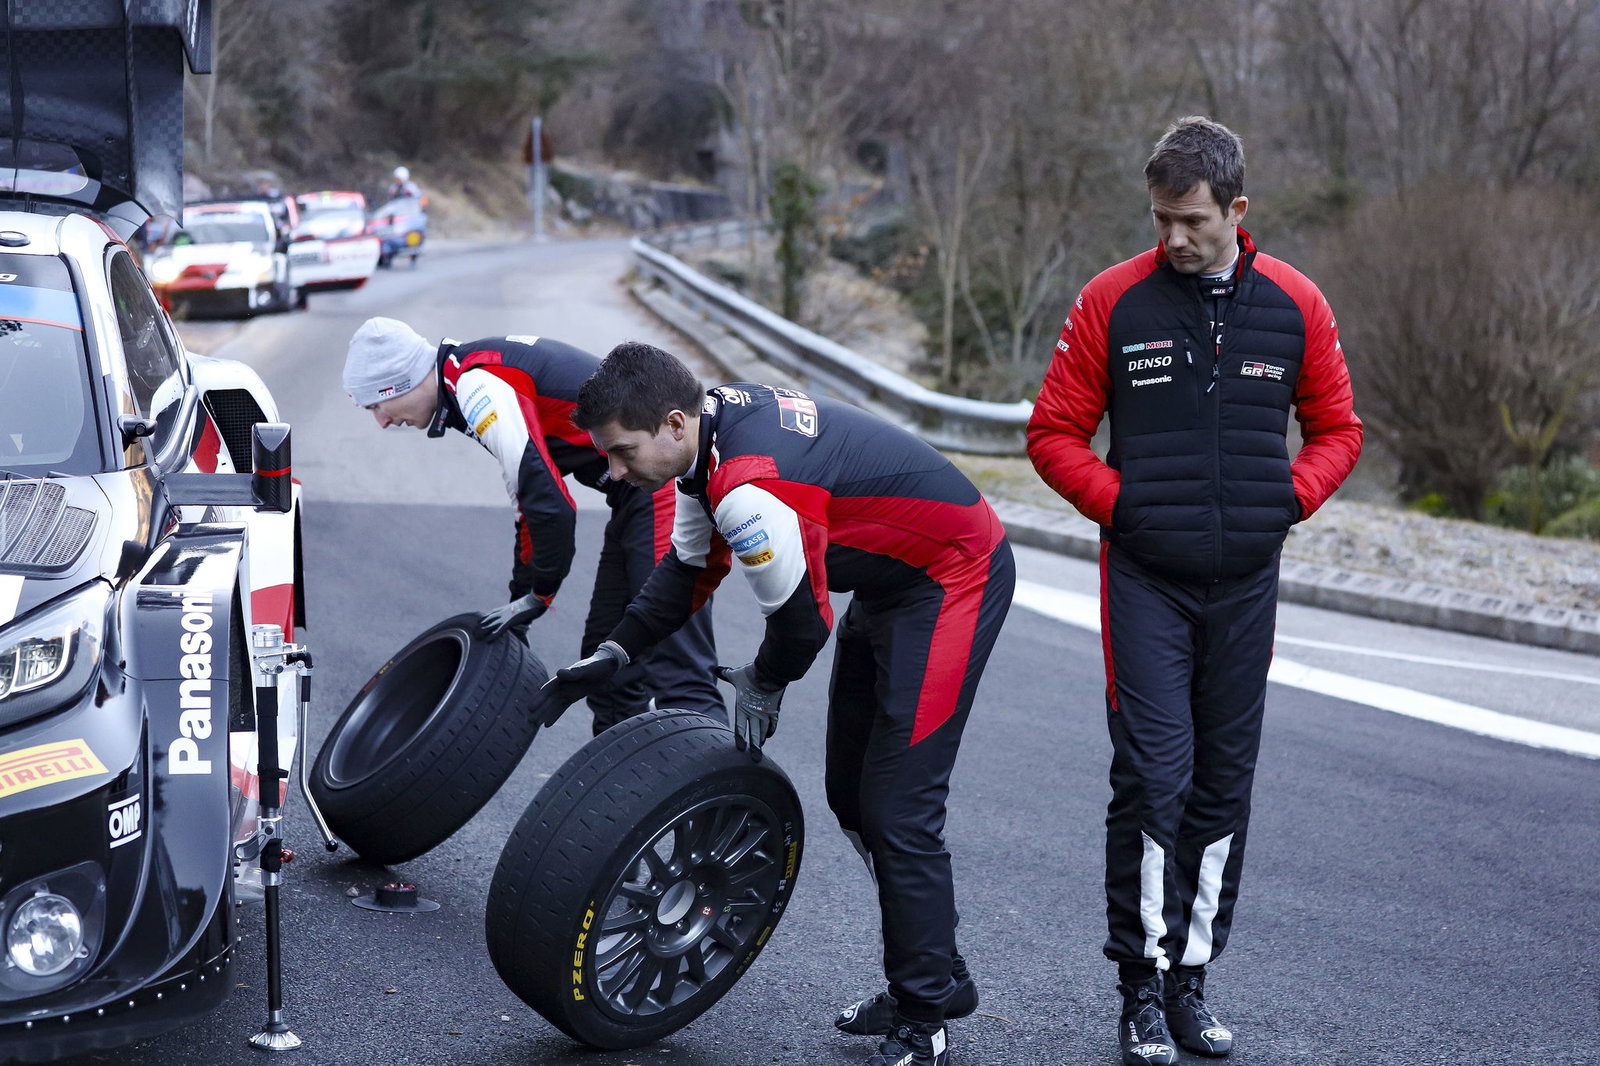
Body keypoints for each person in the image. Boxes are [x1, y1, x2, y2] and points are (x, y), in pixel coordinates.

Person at [543, 342, 1015, 1066]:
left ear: (672, 424)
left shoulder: (749, 486)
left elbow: (800, 626)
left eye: (621, 453)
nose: (611, 472)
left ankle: (925, 1017)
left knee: (898, 809)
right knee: (852, 799)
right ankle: (940, 978)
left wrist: (763, 679)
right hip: (892, 583)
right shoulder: (705, 443)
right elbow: (691, 568)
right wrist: (616, 653)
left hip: (955, 577)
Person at [1026, 116, 1363, 1066]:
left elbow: (1340, 428)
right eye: (1161, 219)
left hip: (1247, 582)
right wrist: (1125, 508)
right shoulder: (1113, 301)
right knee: (1153, 781)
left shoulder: (1296, 303)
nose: (1173, 238)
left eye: (1191, 221)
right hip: (1145, 580)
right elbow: (1053, 432)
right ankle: (1137, 989)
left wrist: (1285, 503)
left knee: (1222, 788)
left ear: (1237, 210)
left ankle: (1190, 984)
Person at [341, 318, 723, 734]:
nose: (381, 421)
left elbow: (551, 503)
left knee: (678, 668)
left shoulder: (476, 383)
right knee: (606, 668)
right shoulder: (466, 377)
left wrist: (538, 594)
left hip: (665, 487)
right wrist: (523, 596)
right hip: (635, 498)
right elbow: (528, 499)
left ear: (399, 383)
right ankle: (628, 791)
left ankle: (726, 790)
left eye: (376, 406)